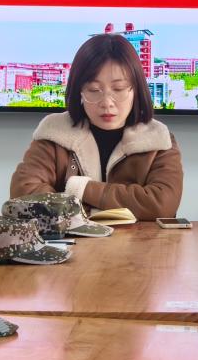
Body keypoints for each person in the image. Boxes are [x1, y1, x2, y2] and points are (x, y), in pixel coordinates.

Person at [9, 34, 183, 220]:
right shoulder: (54, 132)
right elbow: (23, 193)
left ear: (136, 89)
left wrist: (81, 189)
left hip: (138, 240)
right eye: (94, 90)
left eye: (118, 89)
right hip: (70, 239)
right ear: (79, 91)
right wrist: (116, 204)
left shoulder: (157, 140)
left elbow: (162, 204)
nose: (107, 102)